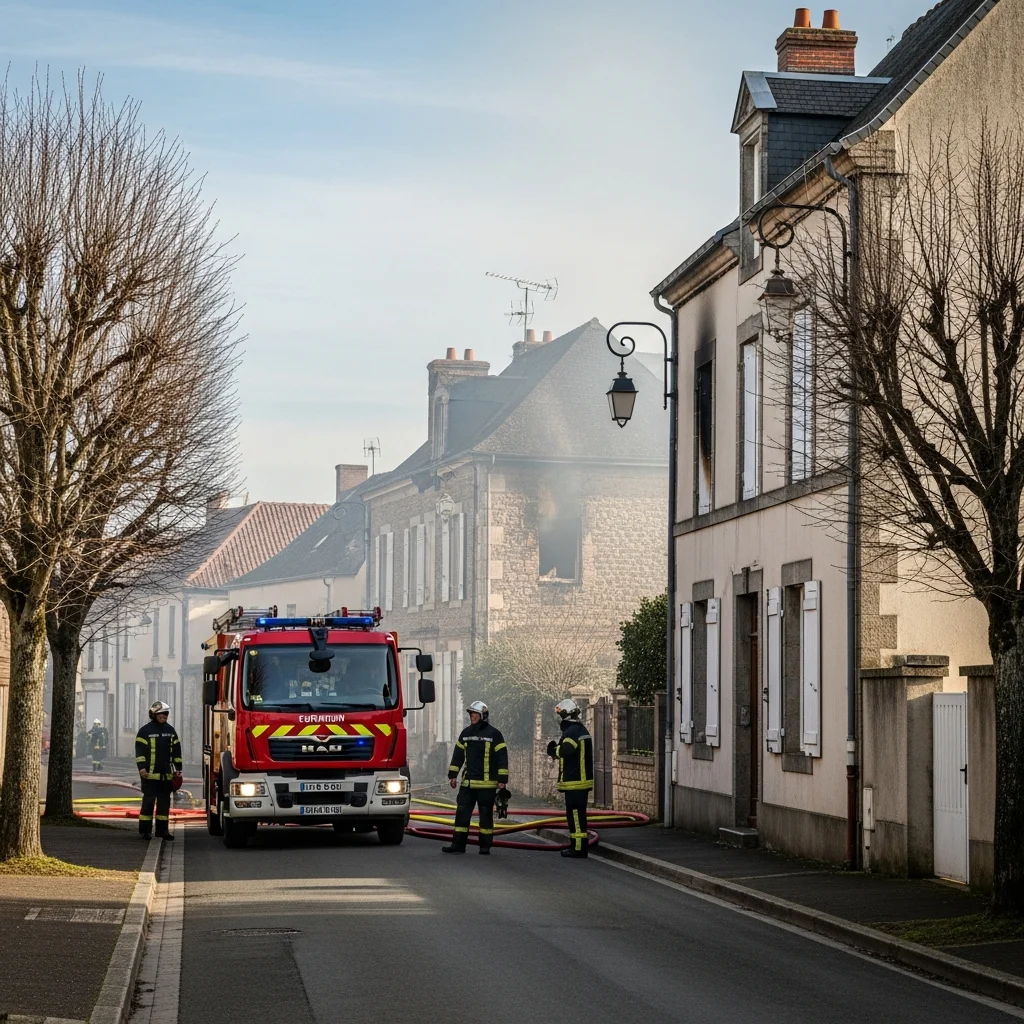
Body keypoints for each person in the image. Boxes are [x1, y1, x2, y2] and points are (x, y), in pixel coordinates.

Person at [442, 701, 509, 855]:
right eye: (471, 714)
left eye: (475, 714)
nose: (472, 716)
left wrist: (502, 780)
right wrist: (453, 775)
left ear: (483, 715)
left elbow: (502, 758)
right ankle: (458, 845)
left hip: (487, 785)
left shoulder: (494, 734)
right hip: (468, 783)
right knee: (462, 814)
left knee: (485, 817)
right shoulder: (466, 733)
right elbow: (458, 756)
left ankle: (485, 846)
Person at [546, 698, 594, 859]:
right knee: (577, 815)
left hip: (575, 781)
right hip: (580, 781)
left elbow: (567, 750)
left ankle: (578, 848)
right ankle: (577, 846)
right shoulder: (581, 730)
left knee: (575, 816)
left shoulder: (572, 732)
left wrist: (554, 751)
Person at [135, 701, 183, 841]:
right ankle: (145, 831)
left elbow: (176, 751)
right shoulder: (145, 731)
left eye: (166, 714)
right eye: (161, 714)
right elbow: (140, 752)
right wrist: (142, 768)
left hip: (166, 776)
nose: (164, 716)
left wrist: (178, 769)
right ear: (153, 714)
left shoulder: (170, 731)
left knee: (164, 805)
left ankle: (162, 831)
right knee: (148, 804)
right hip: (149, 775)